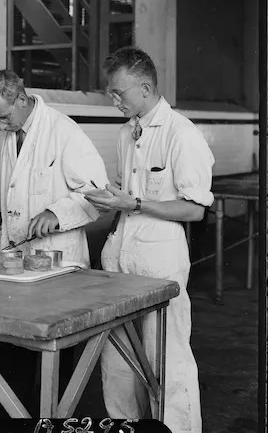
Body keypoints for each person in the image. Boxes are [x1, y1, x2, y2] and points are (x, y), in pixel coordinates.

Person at [85, 46, 212, 433]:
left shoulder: (181, 133)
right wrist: (113, 197)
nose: (114, 100)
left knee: (166, 359)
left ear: (144, 87)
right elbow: (130, 193)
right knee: (118, 356)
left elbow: (195, 209)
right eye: (110, 93)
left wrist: (134, 202)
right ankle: (126, 428)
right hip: (121, 254)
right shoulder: (127, 132)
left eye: (118, 93)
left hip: (159, 260)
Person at [0, 68, 109, 415]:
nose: (0, 126)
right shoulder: (6, 130)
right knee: (12, 346)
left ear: (20, 99)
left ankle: (53, 418)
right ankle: (11, 416)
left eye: (3, 118)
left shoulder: (63, 132)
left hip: (58, 262)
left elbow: (98, 193)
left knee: (55, 353)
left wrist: (57, 212)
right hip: (15, 259)